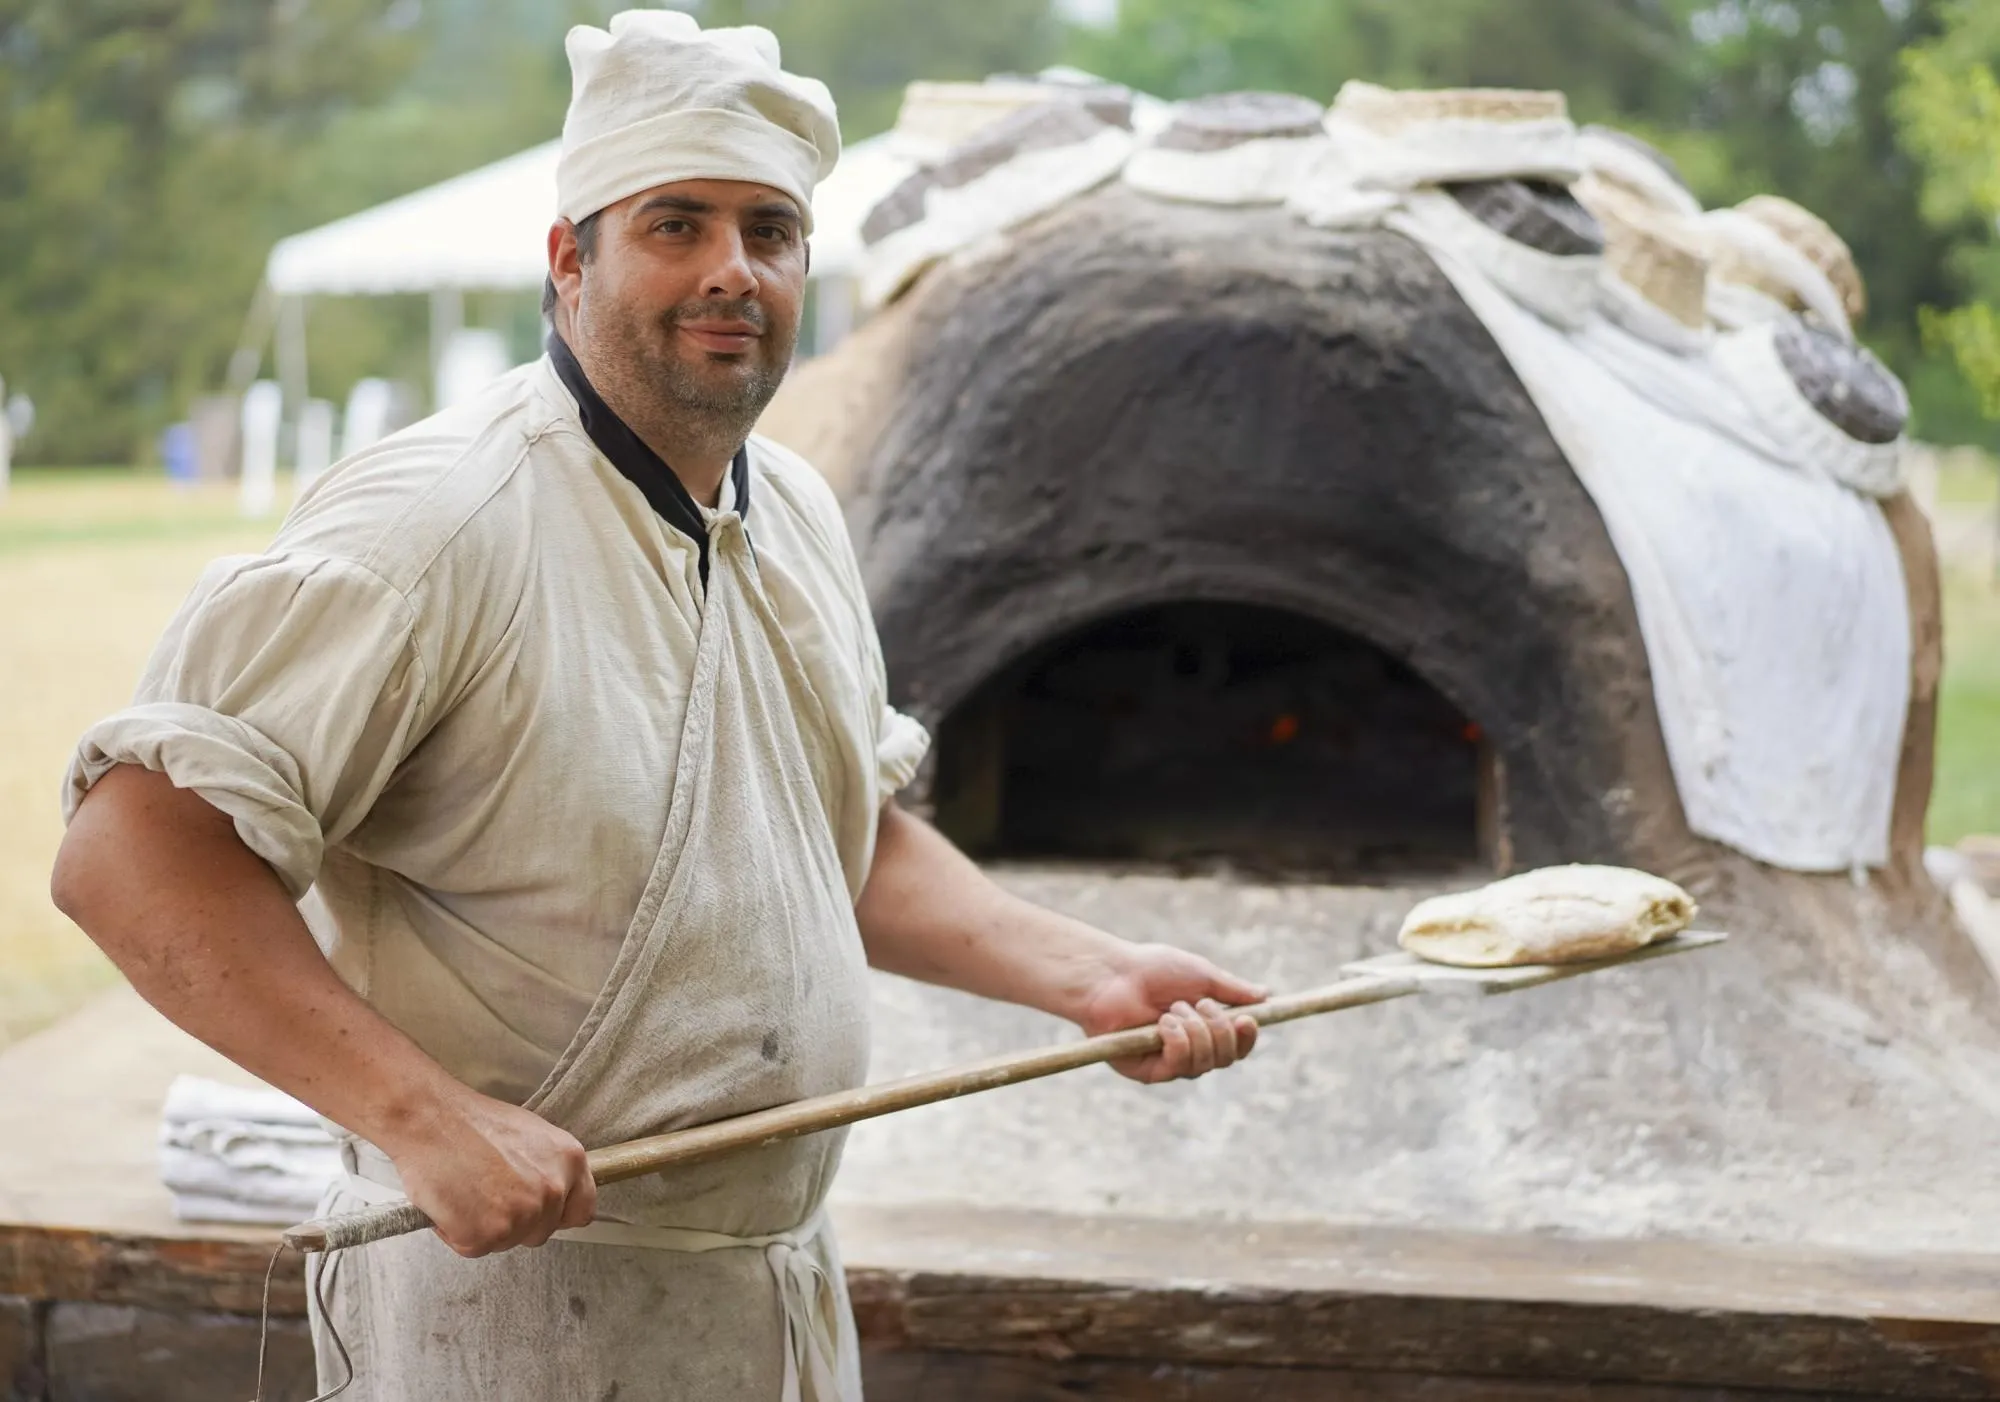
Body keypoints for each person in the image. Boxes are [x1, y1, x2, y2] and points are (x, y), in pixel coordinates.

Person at [50, 13, 1265, 1400]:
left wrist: (1085, 972)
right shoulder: (434, 521)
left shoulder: (795, 505)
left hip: (767, 1294)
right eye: (674, 224)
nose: (729, 271)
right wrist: (423, 1116)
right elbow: (130, 855)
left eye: (769, 231)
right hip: (507, 1316)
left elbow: (833, 835)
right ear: (570, 259)